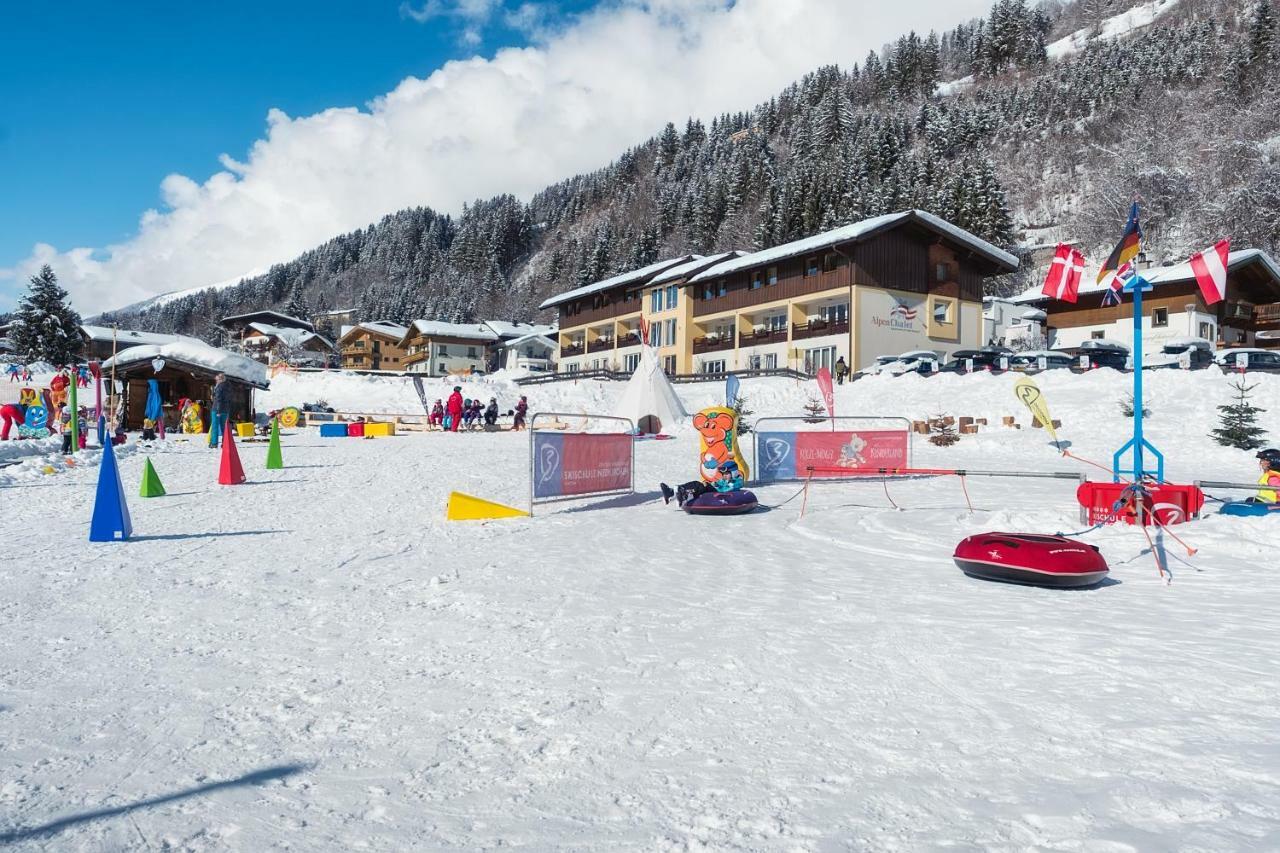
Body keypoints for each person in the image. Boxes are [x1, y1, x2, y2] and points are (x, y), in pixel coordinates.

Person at [209, 372, 232, 447]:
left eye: (216, 378)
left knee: (215, 426)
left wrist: (218, 410)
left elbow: (219, 399)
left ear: (219, 378)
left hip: (217, 409)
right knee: (224, 427)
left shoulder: (219, 387)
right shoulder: (228, 386)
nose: (215, 379)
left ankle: (214, 443)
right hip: (225, 410)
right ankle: (225, 443)